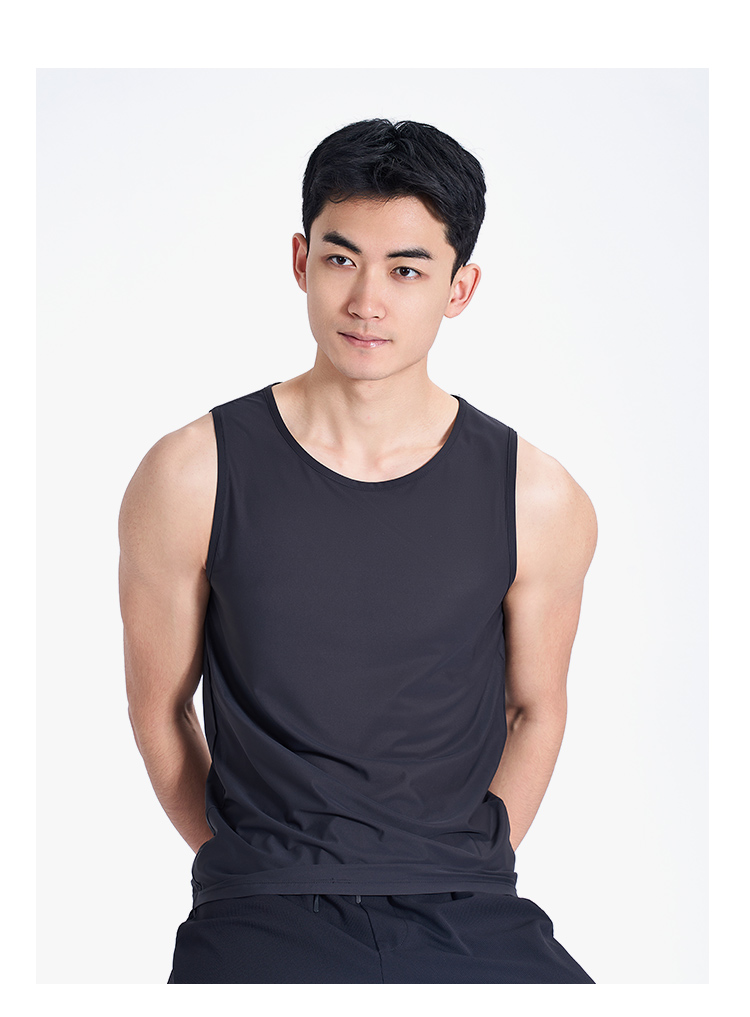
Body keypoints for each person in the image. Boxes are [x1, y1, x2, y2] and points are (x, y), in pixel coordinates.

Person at [118, 119, 598, 984]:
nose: (367, 300)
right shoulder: (191, 473)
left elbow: (537, 709)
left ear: (459, 287)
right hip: (260, 909)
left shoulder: (537, 495)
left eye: (406, 270)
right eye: (342, 259)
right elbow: (159, 708)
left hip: (468, 910)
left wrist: (467, 858)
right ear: (301, 261)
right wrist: (244, 857)